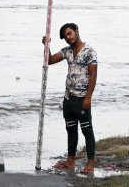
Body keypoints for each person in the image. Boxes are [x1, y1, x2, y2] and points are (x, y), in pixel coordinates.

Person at [42, 23, 97, 173]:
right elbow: (50, 60)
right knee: (71, 130)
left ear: (77, 32)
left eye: (69, 34)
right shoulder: (67, 51)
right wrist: (47, 46)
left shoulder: (89, 52)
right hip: (68, 98)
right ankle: (70, 161)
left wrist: (88, 98)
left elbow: (93, 75)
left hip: (82, 99)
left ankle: (90, 164)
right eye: (65, 36)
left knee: (87, 130)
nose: (68, 38)